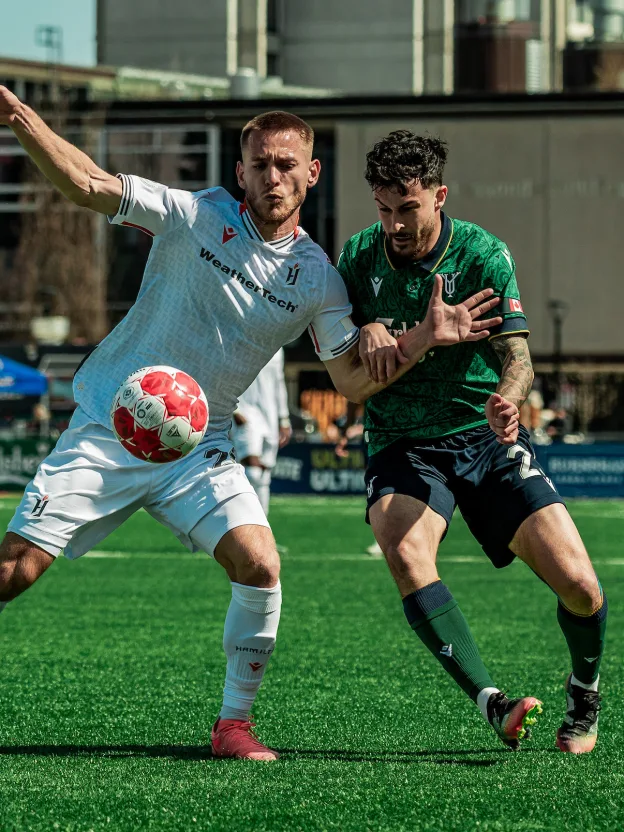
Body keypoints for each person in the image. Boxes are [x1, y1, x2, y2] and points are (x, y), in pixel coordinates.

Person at [0, 91, 502, 761]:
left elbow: (352, 381)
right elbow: (88, 183)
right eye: (260, 164)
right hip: (108, 427)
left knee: (261, 563)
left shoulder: (317, 279)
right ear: (240, 172)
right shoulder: (193, 215)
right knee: (16, 570)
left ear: (311, 173)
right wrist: (22, 121)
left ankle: (233, 726)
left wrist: (421, 338)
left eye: (287, 165)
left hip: (198, 450)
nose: (273, 177)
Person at [336, 131, 606, 754]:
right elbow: (340, 342)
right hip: (401, 440)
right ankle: (492, 702)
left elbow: (519, 358)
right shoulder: (358, 256)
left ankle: (585, 690)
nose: (395, 225)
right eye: (383, 208)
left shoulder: (483, 254)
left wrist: (507, 398)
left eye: (408, 208)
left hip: (483, 436)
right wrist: (367, 324)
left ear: (439, 196)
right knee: (405, 553)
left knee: (581, 587)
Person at [232, 348, 291, 517]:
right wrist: (234, 410)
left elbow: (279, 383)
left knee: (264, 476)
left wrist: (284, 418)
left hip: (269, 416)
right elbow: (225, 376)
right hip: (245, 413)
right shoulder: (239, 342)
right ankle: (243, 521)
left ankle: (262, 523)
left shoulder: (278, 349)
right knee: (252, 471)